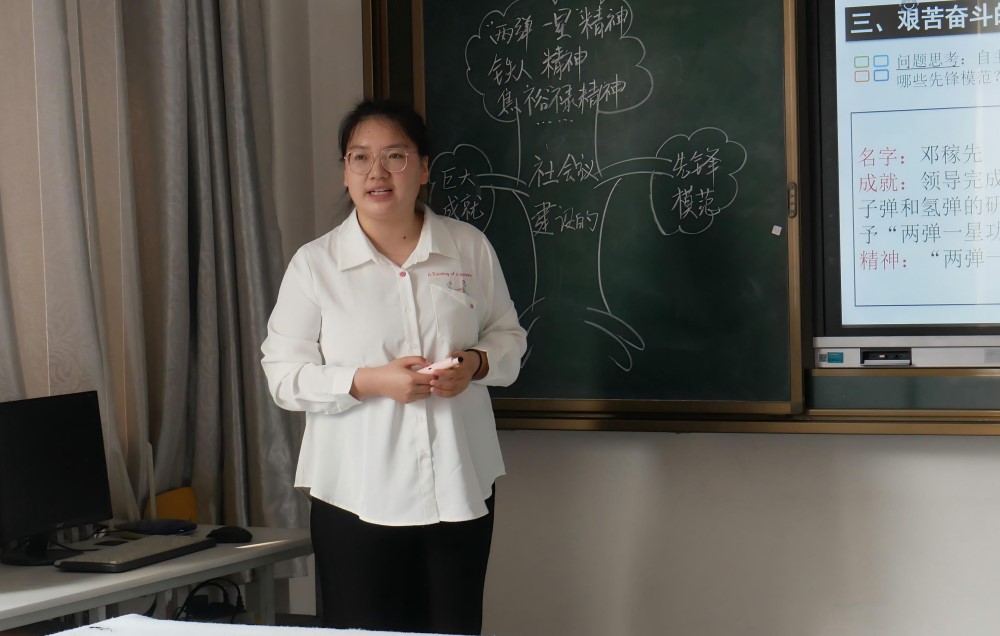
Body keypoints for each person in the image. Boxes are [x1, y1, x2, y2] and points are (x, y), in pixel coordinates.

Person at [260, 99, 527, 635]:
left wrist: (474, 364)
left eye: (395, 156)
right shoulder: (315, 264)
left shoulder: (468, 247)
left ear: (424, 168)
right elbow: (283, 375)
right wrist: (368, 381)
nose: (376, 172)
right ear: (345, 172)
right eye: (359, 157)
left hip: (457, 482)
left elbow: (509, 338)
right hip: (355, 491)